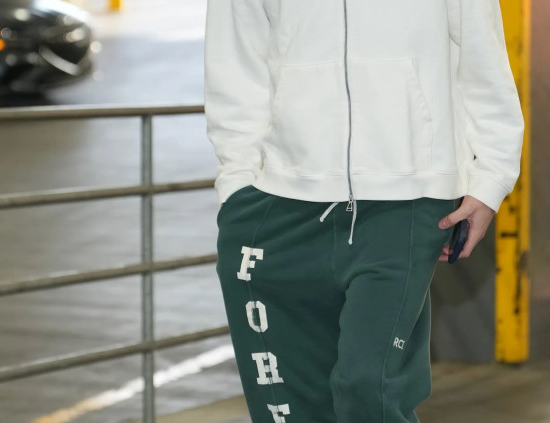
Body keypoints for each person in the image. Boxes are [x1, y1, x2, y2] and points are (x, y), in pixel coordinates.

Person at [203, 1, 524, 422]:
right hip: (277, 201)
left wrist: (490, 180)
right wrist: (237, 184)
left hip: (406, 200)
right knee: (288, 408)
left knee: (369, 387)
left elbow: (483, 58)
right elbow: (235, 65)